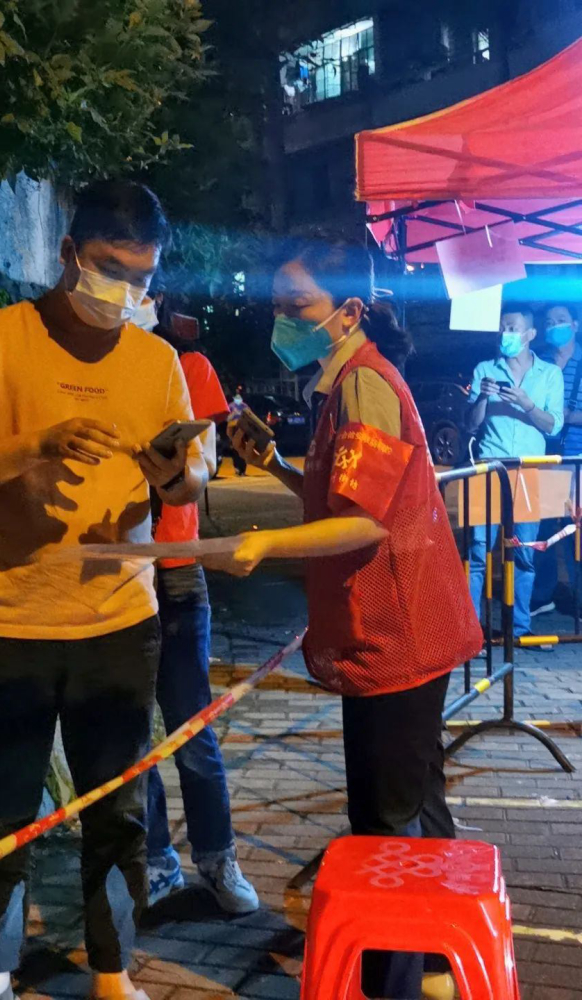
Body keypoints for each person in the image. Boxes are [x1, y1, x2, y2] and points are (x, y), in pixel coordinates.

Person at [0, 181, 208, 1000]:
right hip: (6, 619)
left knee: (117, 811)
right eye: (109, 269)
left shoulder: (156, 360)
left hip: (120, 622)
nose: (125, 293)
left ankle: (113, 971)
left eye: (142, 278)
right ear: (66, 253)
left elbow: (191, 482)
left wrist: (175, 475)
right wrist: (35, 446)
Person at [209, 234, 483, 1000]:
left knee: (385, 824)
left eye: (297, 305)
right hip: (400, 632)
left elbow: (361, 523)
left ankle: (395, 981)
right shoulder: (348, 382)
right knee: (416, 800)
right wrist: (272, 466)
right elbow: (340, 501)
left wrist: (263, 542)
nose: (284, 320)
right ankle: (439, 963)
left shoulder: (365, 384)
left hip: (395, 635)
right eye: (278, 306)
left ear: (349, 311)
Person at [130, 294, 259, 912]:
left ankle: (217, 857)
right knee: (133, 735)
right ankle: (157, 859)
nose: (130, 300)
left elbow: (206, 457)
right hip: (119, 573)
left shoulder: (189, 366)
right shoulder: (95, 369)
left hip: (178, 570)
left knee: (191, 726)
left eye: (141, 288)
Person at [466, 305, 564, 638]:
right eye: (502, 328)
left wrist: (526, 403)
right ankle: (472, 632)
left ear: (530, 334)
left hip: (529, 472)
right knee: (478, 552)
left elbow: (553, 426)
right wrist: (481, 398)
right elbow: (471, 424)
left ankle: (520, 629)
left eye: (512, 328)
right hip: (488, 470)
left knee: (524, 553)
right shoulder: (484, 369)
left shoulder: (549, 374)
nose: (505, 334)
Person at [532, 303, 582, 616]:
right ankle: (543, 595)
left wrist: (569, 416)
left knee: (577, 529)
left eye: (561, 320)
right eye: (549, 321)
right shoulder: (539, 362)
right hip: (547, 457)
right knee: (547, 529)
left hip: (578, 458)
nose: (555, 326)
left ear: (575, 325)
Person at [228, 387, 248, 476]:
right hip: (233, 428)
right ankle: (237, 468)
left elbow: (250, 416)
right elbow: (227, 419)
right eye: (236, 397)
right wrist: (233, 414)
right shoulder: (231, 406)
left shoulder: (245, 406)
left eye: (239, 397)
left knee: (243, 448)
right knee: (235, 449)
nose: (238, 399)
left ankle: (243, 469)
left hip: (242, 429)